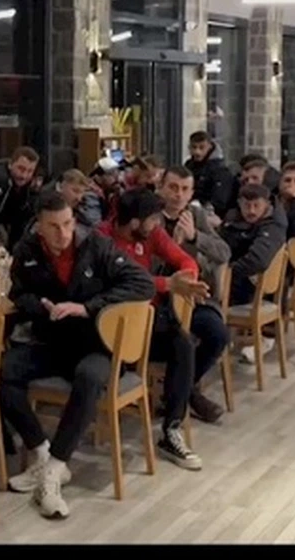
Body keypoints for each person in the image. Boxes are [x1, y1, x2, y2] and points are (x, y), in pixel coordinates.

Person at [0, 191, 157, 519]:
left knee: (88, 377)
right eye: (54, 226)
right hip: (51, 341)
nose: (64, 233)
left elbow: (143, 284)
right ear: (39, 227)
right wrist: (39, 306)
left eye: (68, 223)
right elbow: (19, 293)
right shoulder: (27, 250)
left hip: (95, 344)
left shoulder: (97, 245)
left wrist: (87, 307)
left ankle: (55, 469)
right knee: (1, 372)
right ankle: (43, 454)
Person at [95, 190, 213, 469]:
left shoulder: (152, 234)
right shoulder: (101, 238)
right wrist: (167, 284)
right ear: (135, 222)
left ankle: (171, 430)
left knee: (183, 343)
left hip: (148, 321)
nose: (157, 223)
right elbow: (125, 283)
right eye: (152, 219)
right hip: (112, 328)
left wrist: (188, 280)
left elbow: (185, 260)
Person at [157, 166, 232, 423]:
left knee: (218, 334)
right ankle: (187, 395)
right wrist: (173, 245)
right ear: (161, 188)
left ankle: (182, 390)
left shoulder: (196, 215)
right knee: (181, 342)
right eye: (173, 187)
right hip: (160, 298)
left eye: (184, 189)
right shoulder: (150, 215)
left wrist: (195, 236)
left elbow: (223, 252)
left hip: (193, 297)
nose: (178, 194)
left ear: (191, 193)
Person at [221, 184, 285, 365]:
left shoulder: (273, 225)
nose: (251, 211)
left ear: (267, 204)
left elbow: (258, 260)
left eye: (256, 205)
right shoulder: (233, 219)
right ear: (239, 204)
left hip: (249, 288)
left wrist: (227, 272)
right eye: (246, 205)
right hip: (240, 281)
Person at [185, 131, 235, 212]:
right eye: (194, 147)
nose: (197, 152)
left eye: (202, 147)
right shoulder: (189, 165)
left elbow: (219, 200)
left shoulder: (219, 170)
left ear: (210, 146)